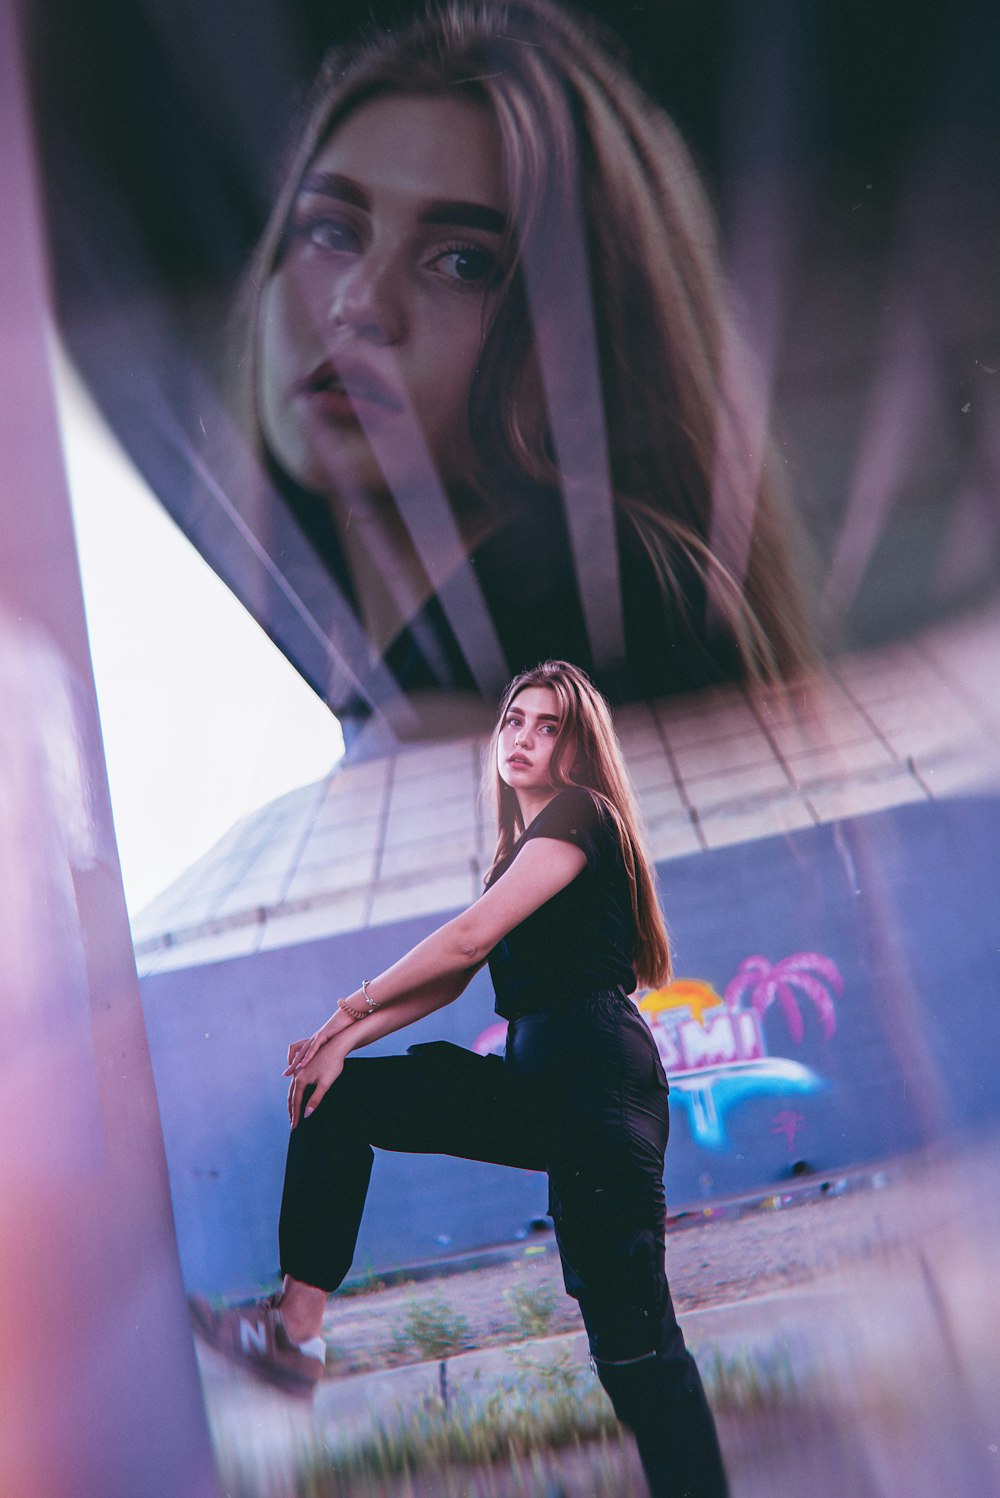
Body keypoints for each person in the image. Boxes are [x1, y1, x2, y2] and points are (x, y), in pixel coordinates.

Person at [192, 660, 730, 1498]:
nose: (524, 738)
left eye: (549, 726)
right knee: (341, 1099)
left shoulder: (582, 816)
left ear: (575, 747)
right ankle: (294, 1338)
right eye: (515, 720)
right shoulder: (519, 855)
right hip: (541, 1083)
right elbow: (451, 981)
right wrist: (341, 1044)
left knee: (636, 1356)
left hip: (597, 1086)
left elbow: (467, 941)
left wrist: (343, 1009)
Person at [232, 0, 813, 738]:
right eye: (331, 231)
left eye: (464, 261)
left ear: (584, 333)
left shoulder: (589, 625)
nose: (360, 303)